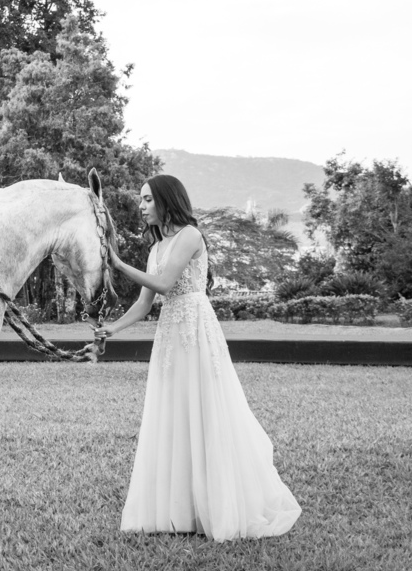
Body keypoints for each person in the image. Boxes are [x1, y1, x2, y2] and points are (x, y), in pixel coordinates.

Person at [95, 174, 301, 541]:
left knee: (203, 410)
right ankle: (181, 511)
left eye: (147, 199)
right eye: (141, 200)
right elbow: (144, 305)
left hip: (196, 330)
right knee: (174, 414)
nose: (141, 206)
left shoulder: (190, 235)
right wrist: (113, 328)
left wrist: (117, 263)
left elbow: (164, 284)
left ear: (166, 200)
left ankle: (216, 505)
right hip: (169, 335)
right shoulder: (155, 249)